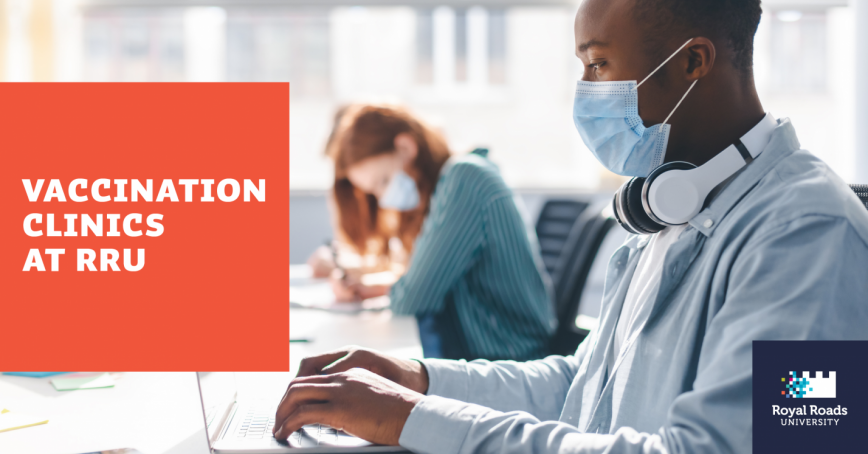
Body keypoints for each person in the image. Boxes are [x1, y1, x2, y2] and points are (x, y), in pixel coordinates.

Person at [273, 0, 868, 452]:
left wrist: (413, 420)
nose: (587, 92)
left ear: (692, 61)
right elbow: (582, 388)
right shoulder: (670, 209)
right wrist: (418, 379)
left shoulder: (809, 234)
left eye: (599, 63)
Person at [310, 104, 556, 361]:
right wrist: (365, 287)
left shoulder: (465, 178)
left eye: (383, 181)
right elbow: (415, 276)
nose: (384, 200)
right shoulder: (448, 185)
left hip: (510, 359)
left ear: (405, 148)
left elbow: (412, 300)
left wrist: (372, 288)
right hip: (493, 355)